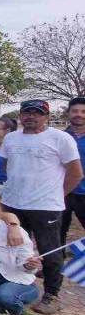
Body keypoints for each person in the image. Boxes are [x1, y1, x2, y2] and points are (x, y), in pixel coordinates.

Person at [0, 99, 83, 315]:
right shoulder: (11, 138)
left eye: (37, 113)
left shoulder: (60, 138)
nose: (31, 117)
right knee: (13, 247)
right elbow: (7, 165)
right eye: (27, 112)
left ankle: (52, 294)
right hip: (13, 203)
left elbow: (75, 174)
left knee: (50, 250)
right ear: (20, 115)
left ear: (46, 116)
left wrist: (56, 195)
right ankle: (19, 285)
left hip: (46, 206)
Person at [62, 97, 85, 258]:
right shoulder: (60, 137)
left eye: (83, 112)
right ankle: (55, 265)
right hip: (62, 191)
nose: (79, 115)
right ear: (68, 113)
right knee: (57, 231)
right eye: (75, 111)